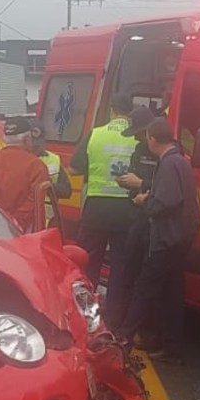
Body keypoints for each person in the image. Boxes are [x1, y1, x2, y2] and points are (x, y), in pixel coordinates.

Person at [115, 118, 200, 364]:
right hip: (180, 237)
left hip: (165, 239)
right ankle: (172, 348)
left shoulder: (169, 163)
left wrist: (145, 202)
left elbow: (167, 201)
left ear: (152, 139)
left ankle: (122, 339)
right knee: (172, 294)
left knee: (144, 288)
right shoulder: (180, 160)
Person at [69, 93, 136, 289]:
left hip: (96, 208)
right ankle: (115, 312)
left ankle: (86, 305)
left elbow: (73, 169)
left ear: (112, 110)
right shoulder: (138, 136)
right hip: (126, 208)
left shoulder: (95, 134)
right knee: (121, 264)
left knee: (87, 260)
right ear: (130, 112)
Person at [105, 105, 158, 331]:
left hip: (154, 221)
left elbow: (170, 188)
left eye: (138, 132)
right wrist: (127, 182)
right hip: (135, 216)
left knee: (146, 280)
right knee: (127, 272)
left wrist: (142, 186)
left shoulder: (167, 154)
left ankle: (141, 329)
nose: (135, 136)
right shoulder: (139, 149)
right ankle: (118, 323)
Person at [0, 116, 51, 232]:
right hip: (25, 234)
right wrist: (14, 223)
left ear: (4, 139)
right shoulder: (36, 166)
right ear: (27, 139)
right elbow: (34, 202)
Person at [33, 123, 72, 200]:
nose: (35, 146)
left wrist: (48, 187)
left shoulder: (53, 159)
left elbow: (66, 191)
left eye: (38, 143)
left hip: (46, 210)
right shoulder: (18, 158)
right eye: (33, 143)